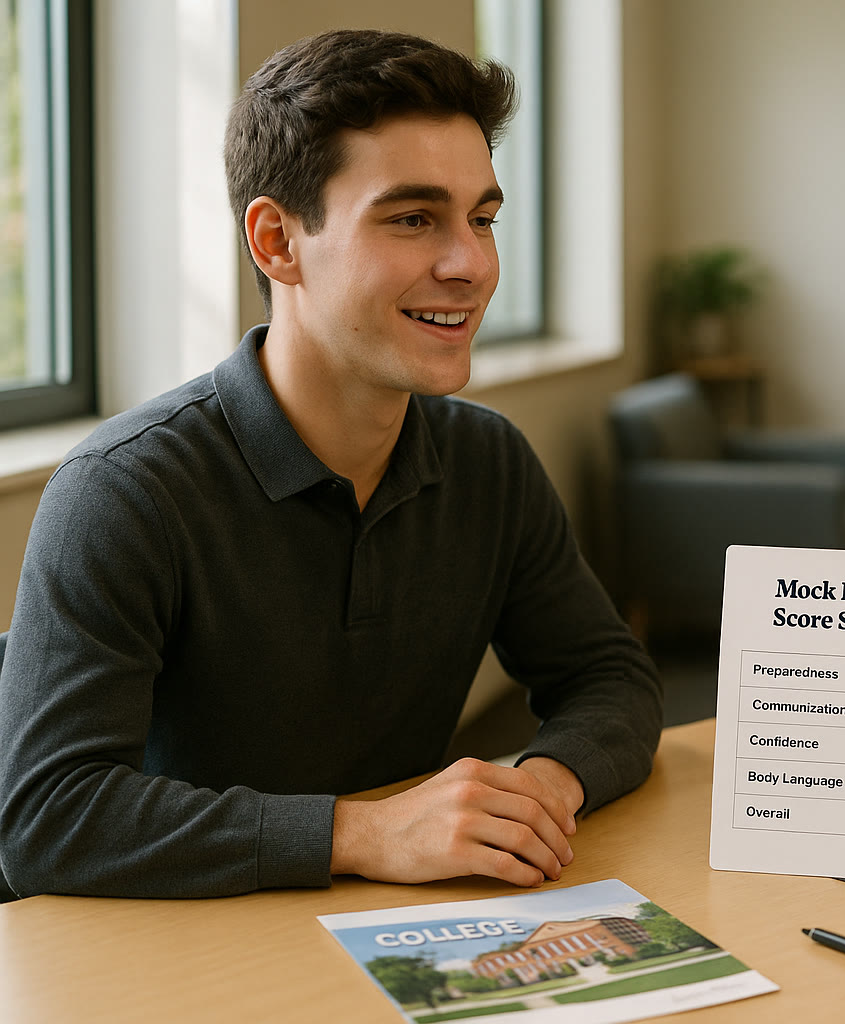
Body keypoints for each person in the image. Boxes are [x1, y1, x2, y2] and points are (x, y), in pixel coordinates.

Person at [0, 29, 661, 900]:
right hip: (176, 958)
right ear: (278, 242)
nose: (471, 263)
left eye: (483, 218)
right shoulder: (123, 492)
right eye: (413, 218)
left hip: (381, 929)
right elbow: (49, 818)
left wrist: (543, 788)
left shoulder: (487, 461)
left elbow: (610, 677)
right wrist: (363, 831)